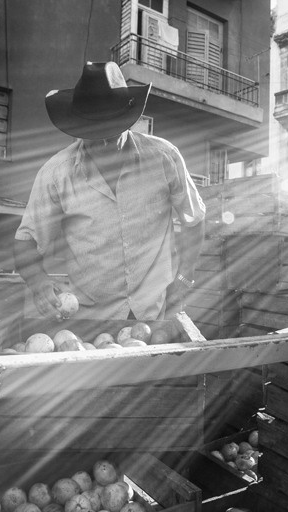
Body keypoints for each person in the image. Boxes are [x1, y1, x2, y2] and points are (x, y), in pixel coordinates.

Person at [14, 61, 206, 321]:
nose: (104, 143)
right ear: (77, 127)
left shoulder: (164, 157)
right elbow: (27, 241)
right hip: (90, 316)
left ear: (127, 121)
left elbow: (194, 219)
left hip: (156, 308)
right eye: (94, 135)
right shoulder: (55, 174)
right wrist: (38, 283)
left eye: (112, 132)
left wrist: (184, 278)